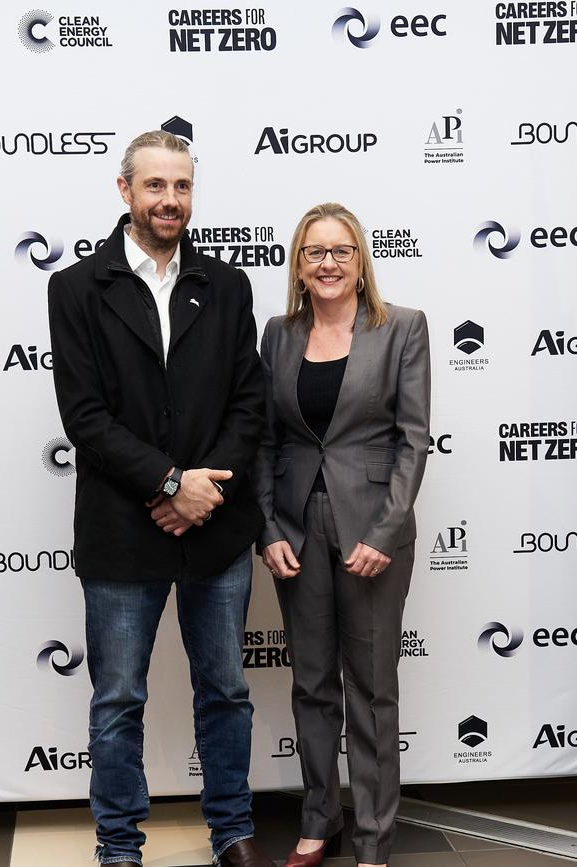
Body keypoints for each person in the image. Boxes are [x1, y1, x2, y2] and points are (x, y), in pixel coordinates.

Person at [48, 130, 274, 867]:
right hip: (123, 530)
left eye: (181, 186)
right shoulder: (78, 288)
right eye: (155, 186)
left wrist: (202, 491)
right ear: (125, 191)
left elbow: (249, 403)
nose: (170, 200)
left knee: (227, 691)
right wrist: (172, 482)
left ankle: (233, 833)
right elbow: (85, 418)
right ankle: (119, 846)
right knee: (118, 700)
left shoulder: (227, 282)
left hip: (215, 528)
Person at [252, 203, 430, 867]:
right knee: (312, 685)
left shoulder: (402, 329)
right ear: (298, 265)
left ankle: (376, 837)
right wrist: (267, 527)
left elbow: (413, 442)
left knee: (373, 689)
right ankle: (318, 818)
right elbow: (265, 440)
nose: (328, 263)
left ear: (360, 263)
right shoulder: (278, 333)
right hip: (297, 532)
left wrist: (385, 530)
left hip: (373, 533)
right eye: (314, 251)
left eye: (341, 251)